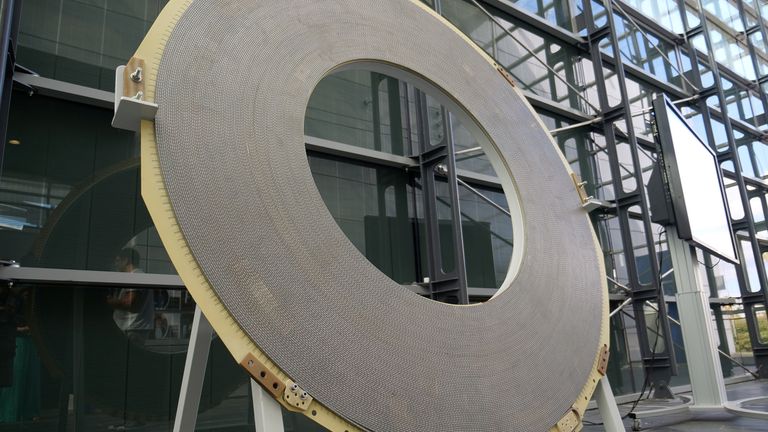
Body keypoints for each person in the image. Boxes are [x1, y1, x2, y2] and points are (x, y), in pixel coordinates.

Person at [107, 248, 154, 345]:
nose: (116, 264)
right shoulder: (138, 275)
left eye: (118, 260)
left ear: (126, 260)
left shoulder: (135, 275)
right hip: (135, 328)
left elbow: (129, 303)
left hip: (133, 329)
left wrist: (107, 301)